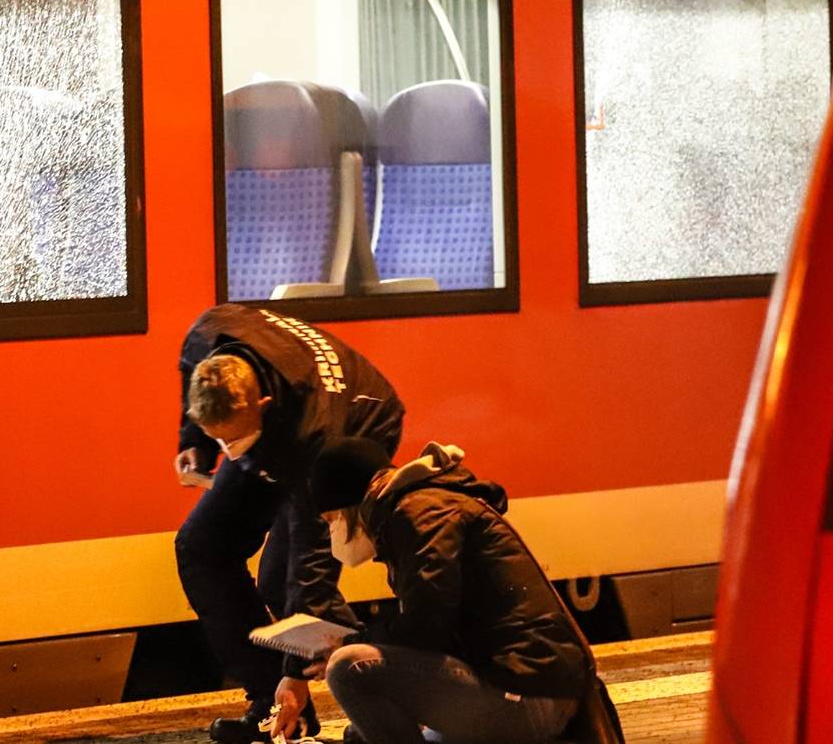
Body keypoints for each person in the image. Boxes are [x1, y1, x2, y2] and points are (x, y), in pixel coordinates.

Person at [173, 304, 404, 744]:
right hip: (276, 430)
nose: (232, 453)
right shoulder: (204, 338)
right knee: (200, 546)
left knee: (284, 584)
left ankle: (389, 691)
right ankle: (271, 709)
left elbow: (312, 560)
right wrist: (195, 440)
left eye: (235, 439)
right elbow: (205, 407)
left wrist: (296, 673)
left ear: (261, 402)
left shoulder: (316, 432)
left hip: (359, 424)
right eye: (222, 438)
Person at [306, 440, 620, 744]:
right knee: (367, 732)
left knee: (349, 667)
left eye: (332, 519)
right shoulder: (422, 507)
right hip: (530, 686)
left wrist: (351, 643)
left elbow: (425, 628)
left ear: (351, 505)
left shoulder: (420, 513)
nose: (333, 531)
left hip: (525, 695)